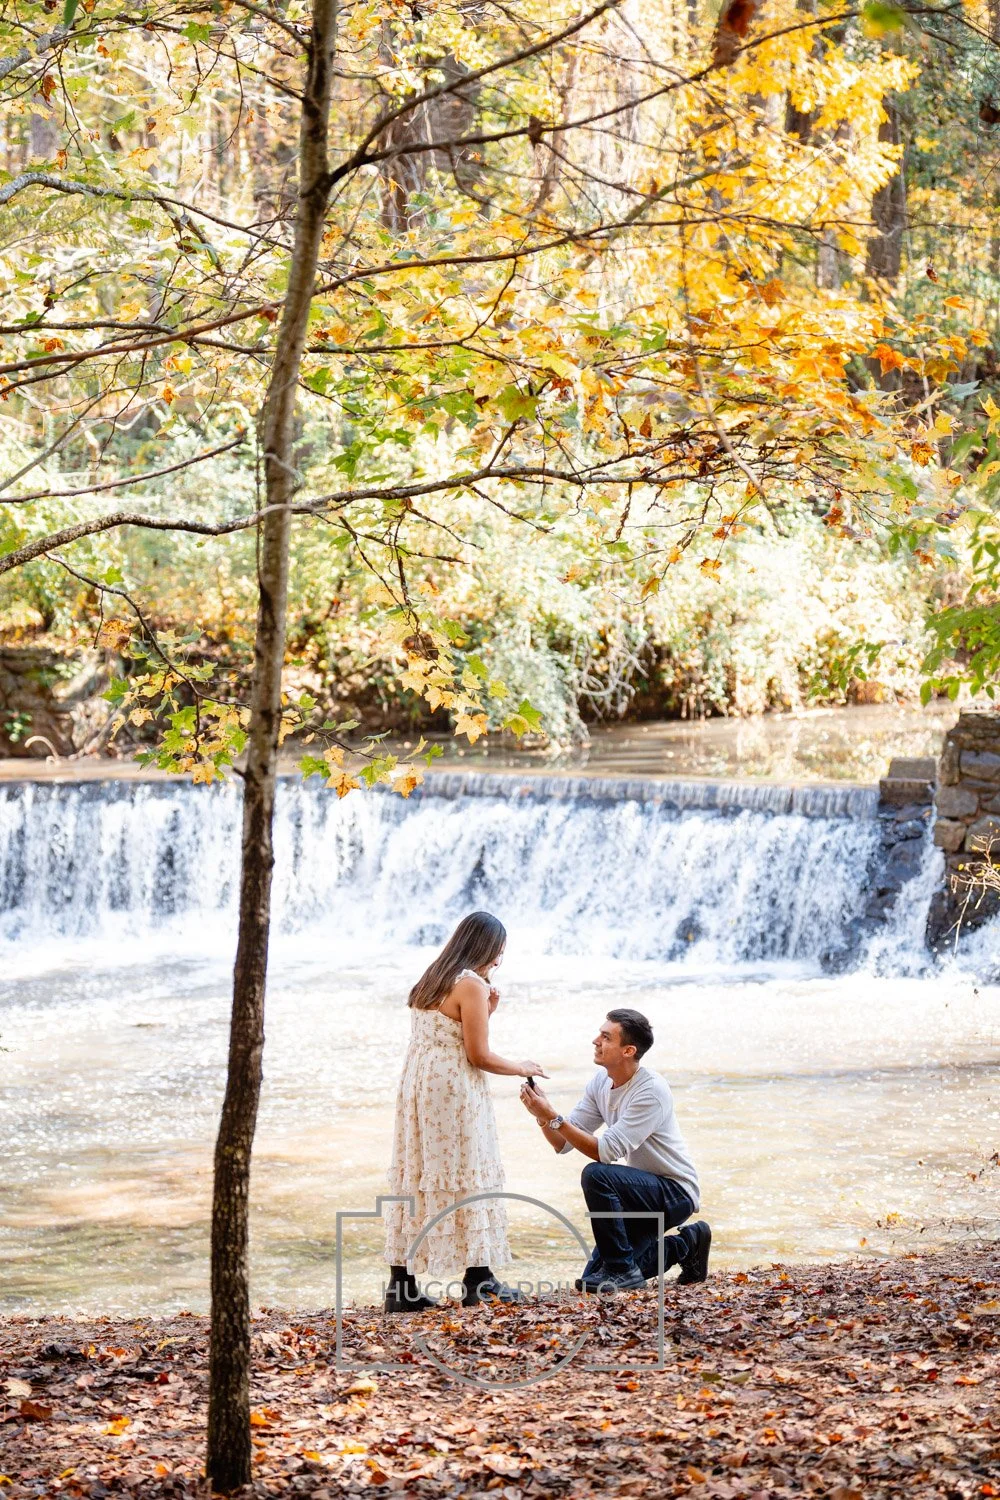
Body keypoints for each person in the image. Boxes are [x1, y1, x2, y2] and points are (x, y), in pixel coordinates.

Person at [383, 911, 547, 1313]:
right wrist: (522, 1067)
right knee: (468, 1167)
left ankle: (399, 1285)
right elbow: (478, 1054)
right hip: (453, 1088)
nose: (498, 962)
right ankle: (479, 1280)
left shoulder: (434, 976)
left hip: (419, 1082)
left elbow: (446, 1030)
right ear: (485, 948)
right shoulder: (471, 984)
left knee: (419, 1171)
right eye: (498, 953)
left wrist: (486, 1012)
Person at [519, 1008, 710, 1293]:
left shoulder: (651, 1091)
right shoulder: (600, 1082)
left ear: (628, 1050)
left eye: (606, 1037)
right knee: (594, 1280)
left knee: (597, 1175)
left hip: (673, 1192)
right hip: (636, 1193)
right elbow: (563, 1142)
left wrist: (555, 1117)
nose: (595, 1041)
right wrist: (543, 1115)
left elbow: (605, 1152)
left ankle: (621, 1268)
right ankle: (687, 1244)